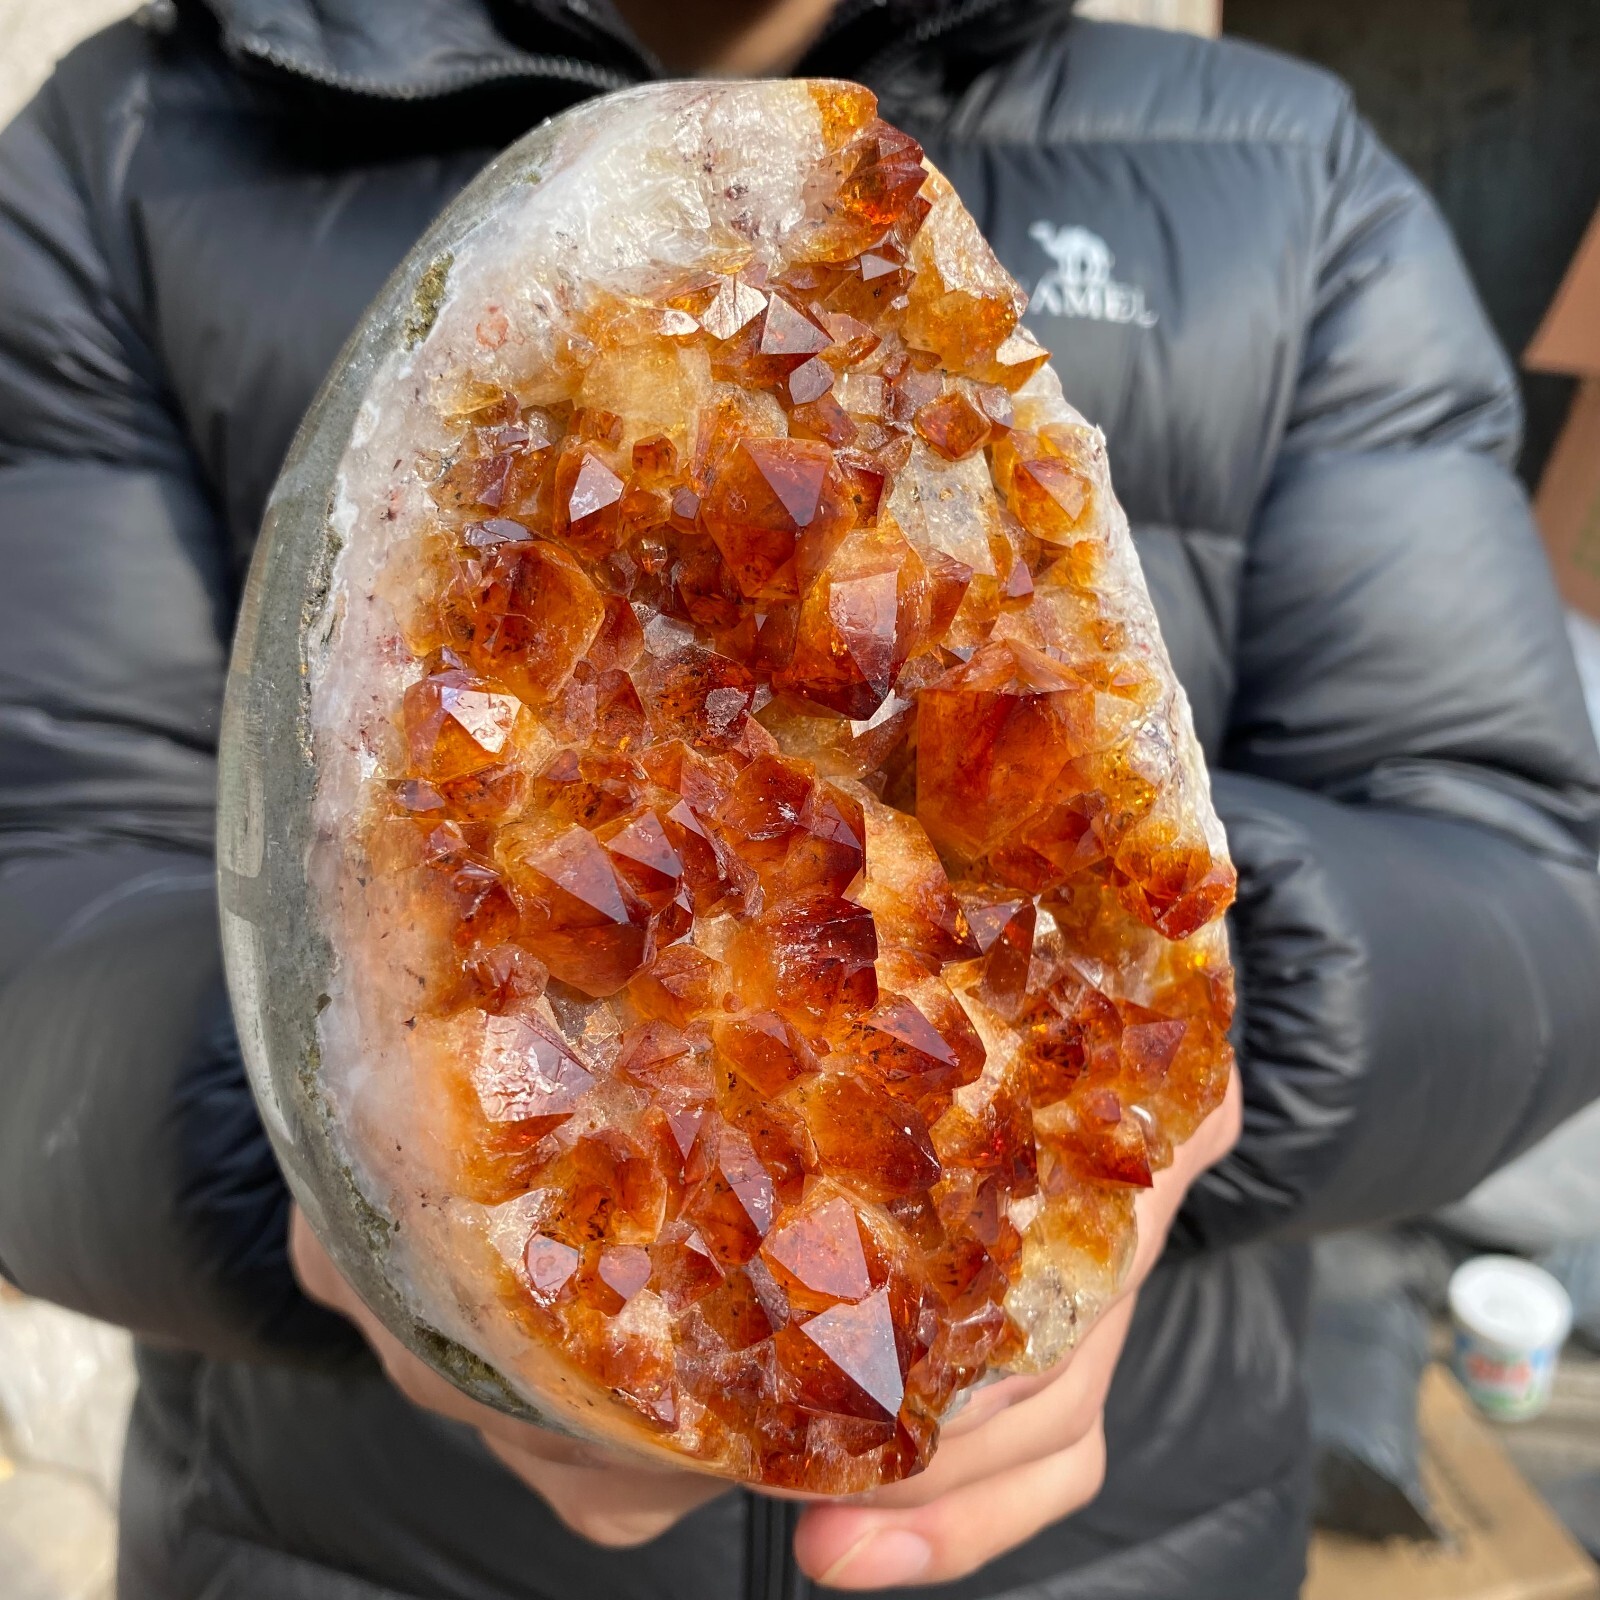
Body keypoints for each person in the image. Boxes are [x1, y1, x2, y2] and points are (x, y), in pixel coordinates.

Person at [1, 1, 1597, 1596]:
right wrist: (306, 1152)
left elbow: (1534, 873)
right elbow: (37, 890)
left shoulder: (1290, 170)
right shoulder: (125, 152)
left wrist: (1214, 1021)